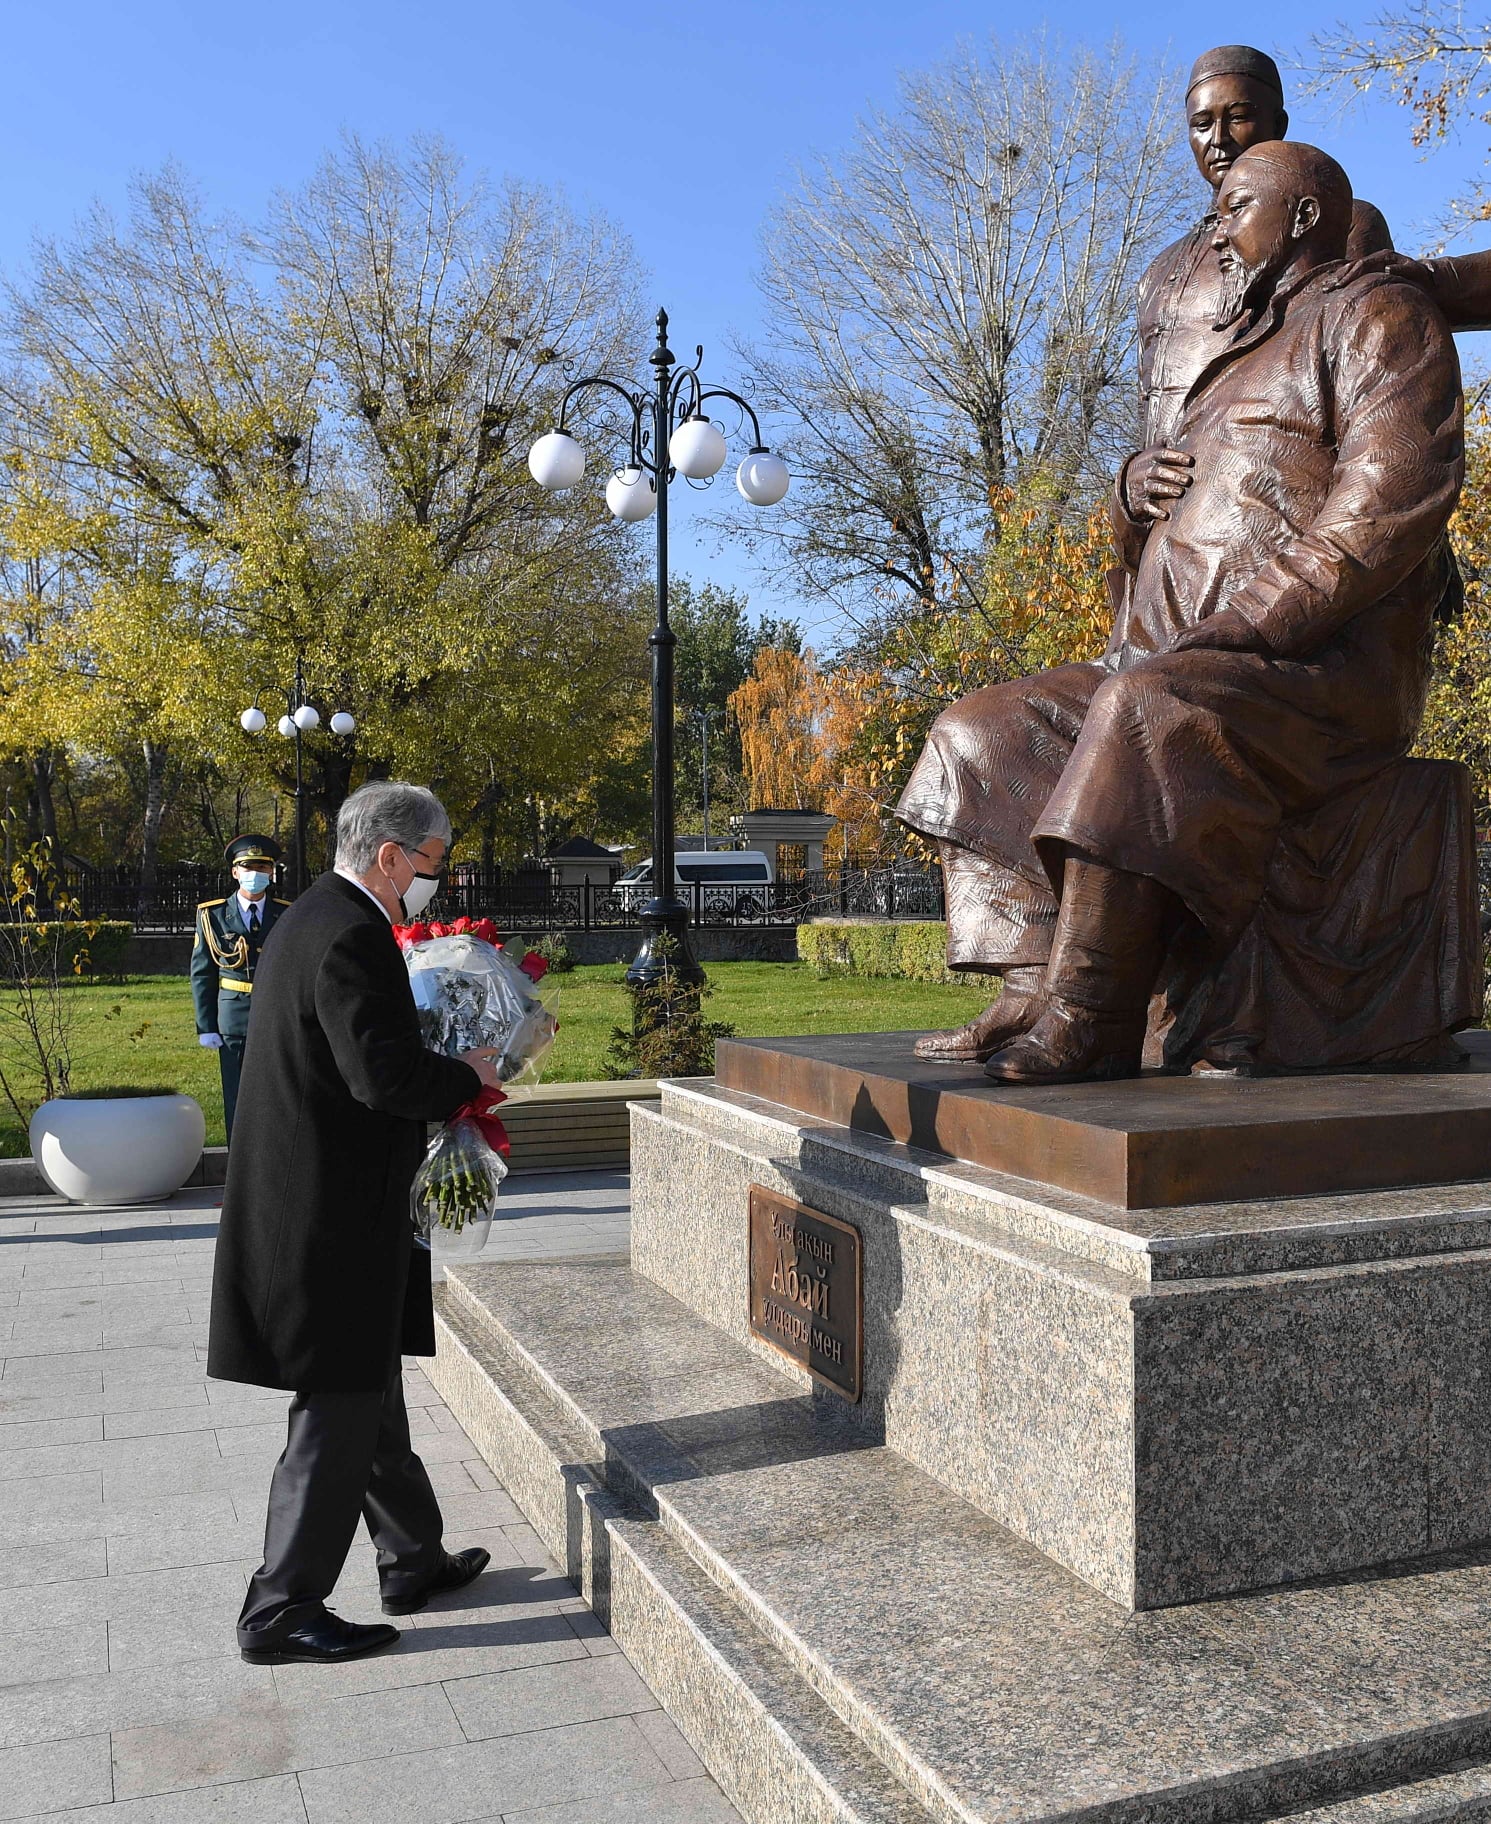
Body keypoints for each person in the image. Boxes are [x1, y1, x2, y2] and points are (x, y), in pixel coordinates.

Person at [896, 143, 1464, 1085]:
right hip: (1175, 661)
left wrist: (1252, 622)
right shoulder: (1236, 346)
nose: (1218, 232)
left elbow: (1391, 499)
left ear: (1305, 218)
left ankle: (1091, 1017)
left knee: (1147, 711)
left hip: (1314, 675)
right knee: (980, 729)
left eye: (1236, 208)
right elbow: (1164, 512)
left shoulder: (1377, 316)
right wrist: (1124, 496)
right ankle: (1036, 977)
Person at [207, 781, 507, 1665]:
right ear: (389, 855)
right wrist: (469, 1075)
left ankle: (411, 1559)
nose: (435, 882)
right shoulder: (347, 932)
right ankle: (278, 1611)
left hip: (328, 1202)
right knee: (335, 1409)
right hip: (323, 1218)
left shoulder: (315, 918)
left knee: (367, 1393)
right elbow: (380, 1075)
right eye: (431, 864)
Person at [191, 835, 288, 1142]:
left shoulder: (287, 913)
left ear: (271, 872)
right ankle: (239, 1172)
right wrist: (205, 1026)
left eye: (262, 867)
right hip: (233, 1019)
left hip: (276, 1019)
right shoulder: (213, 915)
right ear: (235, 872)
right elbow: (202, 973)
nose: (255, 874)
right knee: (237, 1098)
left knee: (277, 1098)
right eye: (248, 867)